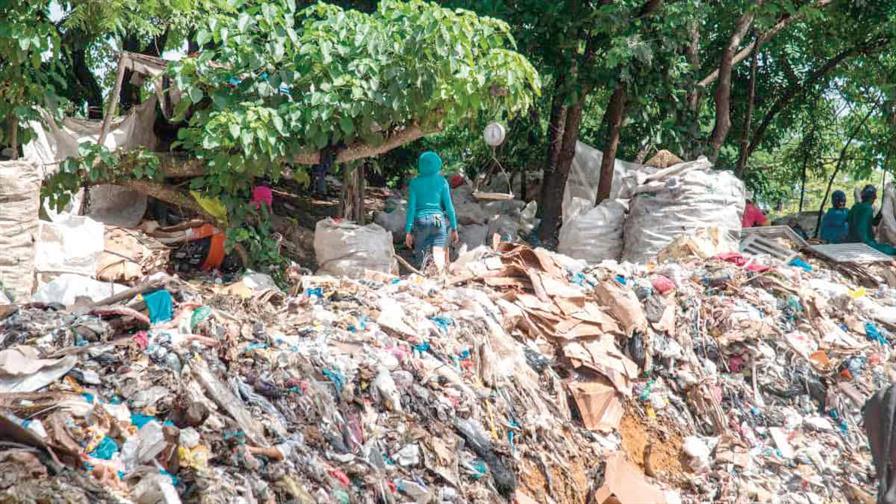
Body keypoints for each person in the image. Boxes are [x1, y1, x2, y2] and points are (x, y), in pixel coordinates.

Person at [404, 151, 458, 270]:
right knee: (438, 251)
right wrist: (454, 228)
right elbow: (449, 207)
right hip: (437, 219)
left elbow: (411, 208)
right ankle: (438, 274)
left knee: (421, 253)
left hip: (421, 220)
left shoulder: (414, 183)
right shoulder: (442, 181)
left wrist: (408, 231)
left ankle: (422, 271)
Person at [847, 184, 896, 255]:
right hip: (863, 243)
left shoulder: (855, 207)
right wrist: (868, 243)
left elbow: (872, 223)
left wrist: (880, 213)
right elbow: (862, 231)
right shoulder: (867, 208)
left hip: (851, 240)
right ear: (873, 197)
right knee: (890, 249)